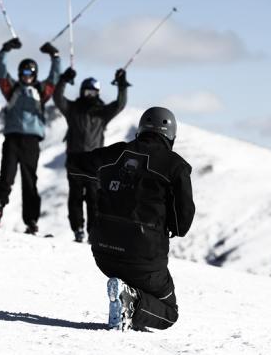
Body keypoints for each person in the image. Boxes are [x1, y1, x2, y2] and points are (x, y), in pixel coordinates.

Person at [67, 107, 195, 331]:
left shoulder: (116, 154)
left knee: (134, 276)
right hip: (144, 259)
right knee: (169, 312)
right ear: (171, 135)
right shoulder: (176, 167)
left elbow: (75, 165)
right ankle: (131, 302)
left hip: (103, 253)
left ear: (141, 129)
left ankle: (128, 297)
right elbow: (181, 224)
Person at [0, 38, 61, 234]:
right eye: (23, 72)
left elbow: (55, 77)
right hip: (12, 139)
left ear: (35, 74)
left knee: (30, 181)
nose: (26, 76)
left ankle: (31, 221)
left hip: (31, 141)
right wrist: (5, 49)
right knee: (6, 177)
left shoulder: (41, 91)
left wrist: (55, 56)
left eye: (30, 72)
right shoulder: (11, 89)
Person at [53, 67, 129, 242]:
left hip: (95, 160)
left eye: (93, 92)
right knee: (75, 196)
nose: (89, 95)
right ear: (81, 91)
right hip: (75, 158)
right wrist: (64, 79)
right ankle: (78, 230)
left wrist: (122, 85)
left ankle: (93, 233)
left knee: (94, 198)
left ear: (98, 93)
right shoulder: (72, 109)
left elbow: (120, 104)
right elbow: (57, 98)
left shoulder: (102, 112)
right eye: (87, 91)